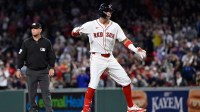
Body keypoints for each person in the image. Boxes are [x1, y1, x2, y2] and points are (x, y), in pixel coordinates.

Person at [71, 3, 146, 112]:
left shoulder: (115, 26)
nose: (110, 13)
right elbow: (74, 33)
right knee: (93, 83)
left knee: (126, 81)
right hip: (97, 57)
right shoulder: (91, 25)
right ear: (102, 12)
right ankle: (85, 109)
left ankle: (130, 107)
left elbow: (124, 40)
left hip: (110, 57)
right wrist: (76, 31)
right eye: (107, 11)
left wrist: (135, 49)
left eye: (110, 11)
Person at [15, 23, 55, 112]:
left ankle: (49, 110)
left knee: (46, 93)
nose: (33, 30)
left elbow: (51, 56)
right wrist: (18, 69)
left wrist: (52, 67)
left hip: (44, 71)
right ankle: (33, 110)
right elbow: (21, 57)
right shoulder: (26, 42)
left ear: (40, 30)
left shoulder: (46, 42)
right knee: (31, 94)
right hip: (31, 71)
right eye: (32, 28)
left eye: (35, 28)